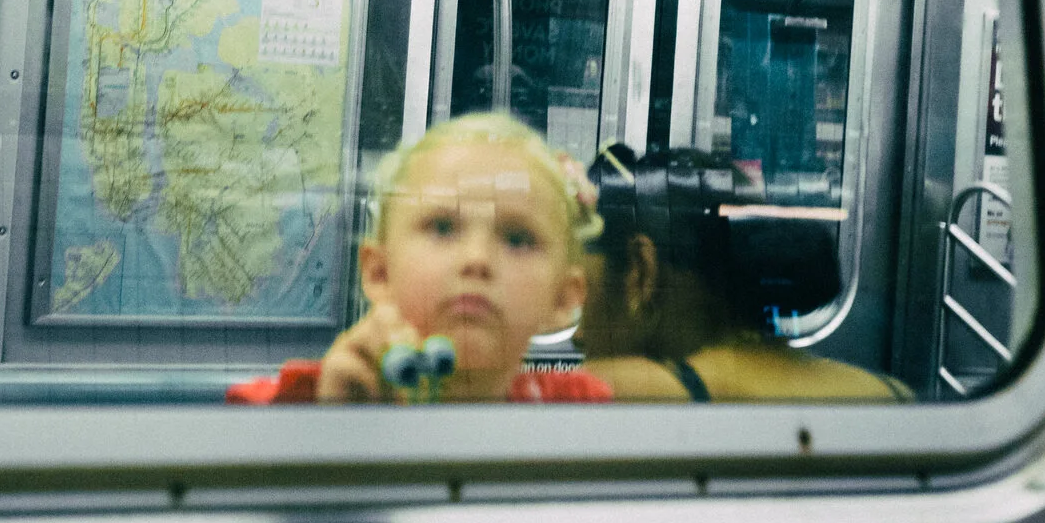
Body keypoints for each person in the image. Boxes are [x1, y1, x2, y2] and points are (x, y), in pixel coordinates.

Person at [230, 113, 612, 404]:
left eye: (517, 238)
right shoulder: (290, 406)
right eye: (443, 228)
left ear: (564, 298)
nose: (476, 260)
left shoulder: (587, 414)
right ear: (379, 273)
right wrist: (332, 427)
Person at [578, 144, 906, 402]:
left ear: (641, 272)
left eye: (584, 290)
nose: (578, 335)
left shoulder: (619, 393)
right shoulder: (893, 396)